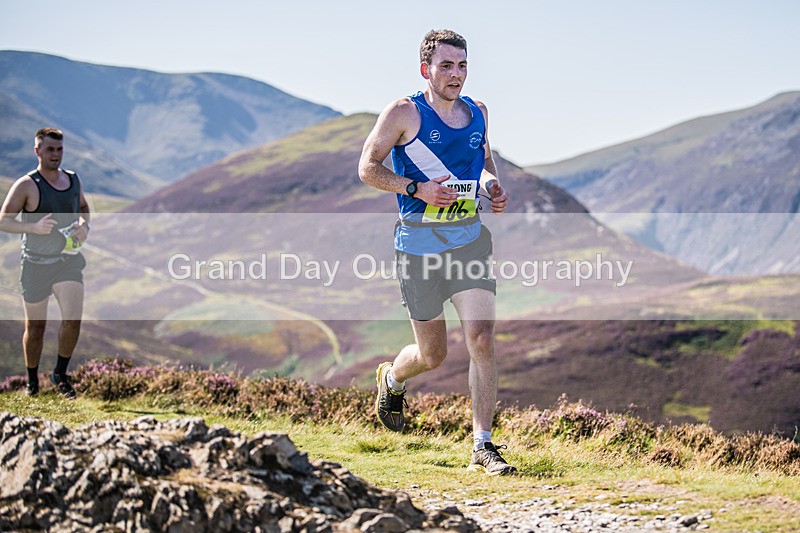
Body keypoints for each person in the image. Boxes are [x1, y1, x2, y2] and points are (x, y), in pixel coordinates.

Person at [358, 30, 515, 475]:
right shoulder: (404, 113)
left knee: (481, 337)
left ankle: (482, 445)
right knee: (433, 355)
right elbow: (367, 168)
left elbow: (483, 163)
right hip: (418, 248)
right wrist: (416, 188)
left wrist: (492, 187)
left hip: (468, 241)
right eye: (446, 66)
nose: (456, 75)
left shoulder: (478, 112)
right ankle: (392, 378)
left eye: (462, 66)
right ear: (425, 69)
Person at [0, 128, 90, 399]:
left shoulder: (73, 179)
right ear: (37, 151)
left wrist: (84, 227)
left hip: (67, 262)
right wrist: (33, 228)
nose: (56, 155)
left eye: (60, 149)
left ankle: (60, 375)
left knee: (72, 320)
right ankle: (32, 382)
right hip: (35, 265)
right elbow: (4, 220)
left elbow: (83, 207)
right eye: (50, 149)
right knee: (36, 328)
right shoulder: (27, 185)